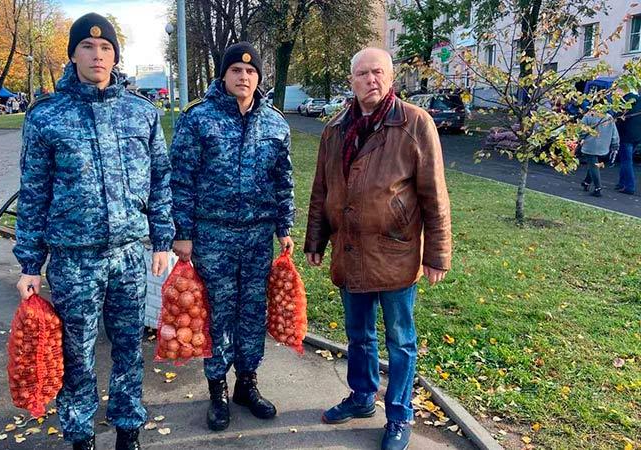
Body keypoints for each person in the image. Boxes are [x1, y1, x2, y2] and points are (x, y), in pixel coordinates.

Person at [13, 12, 174, 450]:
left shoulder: (141, 113)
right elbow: (33, 193)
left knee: (129, 348)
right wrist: (30, 264)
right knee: (76, 353)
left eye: (105, 48)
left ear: (116, 57)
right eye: (87, 46)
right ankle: (81, 434)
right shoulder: (47, 117)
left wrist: (162, 239)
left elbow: (160, 179)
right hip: (74, 258)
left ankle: (128, 429)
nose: (97, 55)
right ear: (73, 54)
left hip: (128, 254)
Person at [304, 47, 452, 450]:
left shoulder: (414, 123)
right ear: (351, 80)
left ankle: (399, 414)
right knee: (359, 335)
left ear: (391, 78)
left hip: (396, 253)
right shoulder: (336, 129)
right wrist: (316, 239)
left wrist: (437, 254)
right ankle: (362, 396)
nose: (371, 79)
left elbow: (434, 194)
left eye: (379, 72)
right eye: (363, 73)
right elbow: (321, 190)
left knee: (400, 340)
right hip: (350, 251)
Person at [169, 42, 295, 432]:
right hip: (213, 235)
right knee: (218, 313)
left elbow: (283, 180)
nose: (244, 77)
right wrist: (182, 233)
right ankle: (217, 390)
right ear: (223, 75)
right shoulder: (198, 118)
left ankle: (247, 383)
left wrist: (284, 226)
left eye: (251, 72)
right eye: (236, 71)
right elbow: (181, 179)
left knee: (252, 311)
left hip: (258, 236)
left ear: (259, 78)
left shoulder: (275, 123)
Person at [579, 110, 619, 197]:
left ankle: (598, 187)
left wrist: (580, 138)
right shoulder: (608, 117)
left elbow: (581, 130)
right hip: (604, 146)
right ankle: (586, 182)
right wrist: (615, 144)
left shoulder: (588, 116)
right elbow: (614, 133)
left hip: (590, 144)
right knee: (594, 164)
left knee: (593, 165)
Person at [615, 90, 640, 195]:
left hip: (626, 135)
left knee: (626, 160)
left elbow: (618, 116)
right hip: (637, 136)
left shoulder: (627, 100)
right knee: (626, 159)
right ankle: (622, 183)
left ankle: (629, 186)